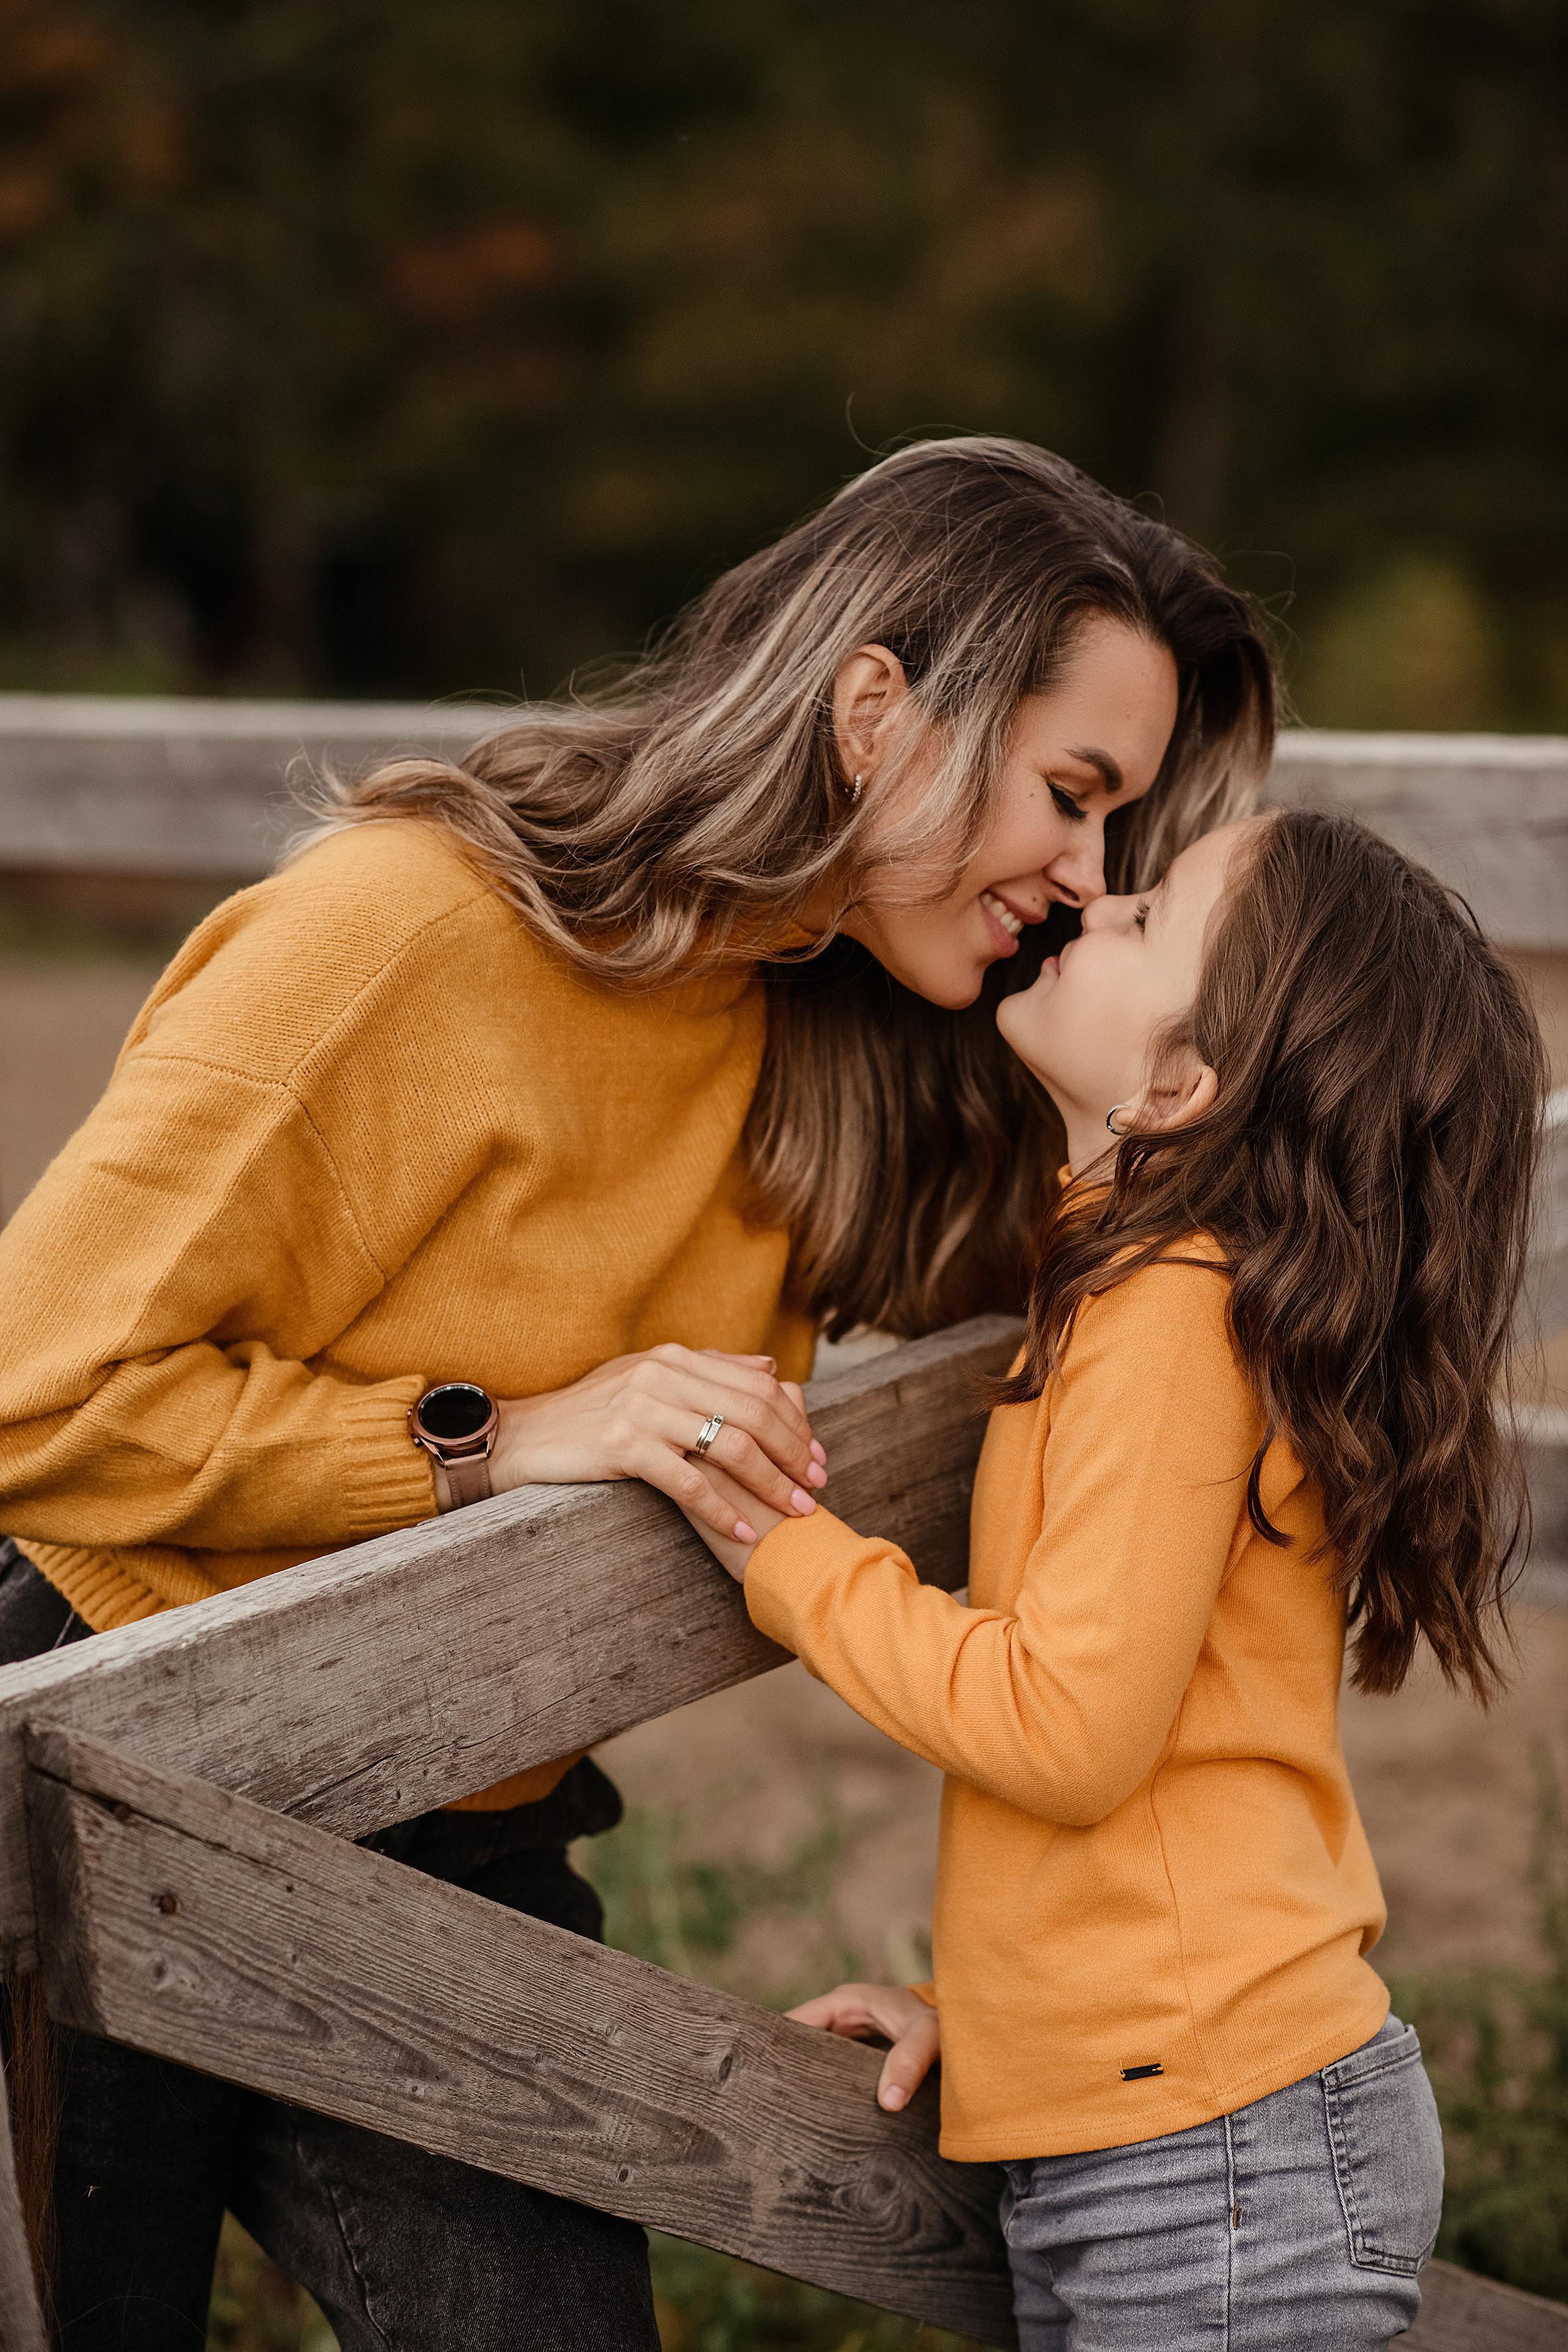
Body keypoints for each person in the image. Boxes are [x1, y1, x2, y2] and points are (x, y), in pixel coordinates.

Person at [0, 435, 1273, 2349]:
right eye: (1071, 795)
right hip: (102, 1759)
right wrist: (498, 1437)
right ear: (873, 711)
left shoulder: (830, 1021)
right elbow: (32, 1392)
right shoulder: (399, 932)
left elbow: (1120, 1290)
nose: (1086, 877)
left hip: (465, 1817)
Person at [684, 805, 1545, 2349]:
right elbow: (1157, 1752)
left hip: (1214, 2156)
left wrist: (780, 1547)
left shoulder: (1169, 1312)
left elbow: (1066, 1722)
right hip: (1186, 2122)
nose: (1088, 898)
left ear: (1184, 1082)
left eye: (1142, 914)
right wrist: (1017, 2031)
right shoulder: (1135, 1284)